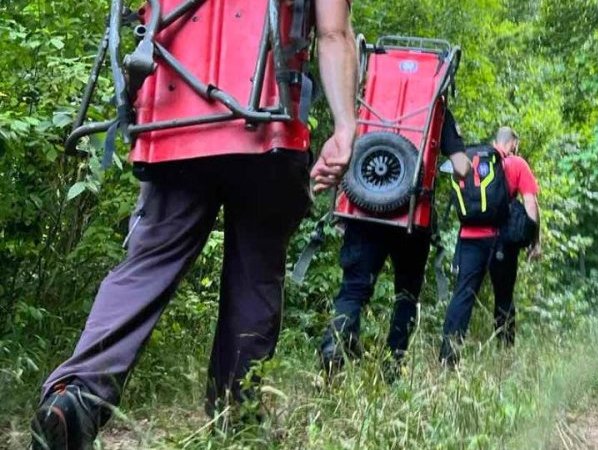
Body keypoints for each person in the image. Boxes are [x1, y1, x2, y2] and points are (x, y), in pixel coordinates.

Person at [31, 2, 357, 449]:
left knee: (146, 265)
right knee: (255, 278)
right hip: (267, 124)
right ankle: (235, 421)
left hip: (172, 117)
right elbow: (333, 33)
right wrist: (345, 127)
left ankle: (77, 396)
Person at [320, 109, 471, 379]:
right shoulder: (437, 110)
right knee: (406, 297)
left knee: (353, 290)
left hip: (363, 212)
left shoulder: (366, 98)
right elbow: (461, 166)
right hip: (412, 217)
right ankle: (392, 368)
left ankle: (335, 348)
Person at [440, 126, 541, 366]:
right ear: (513, 143)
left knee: (462, 295)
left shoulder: (468, 159)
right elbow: (530, 203)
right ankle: (505, 357)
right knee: (504, 297)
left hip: (468, 239)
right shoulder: (516, 164)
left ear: (495, 140)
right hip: (500, 241)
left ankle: (448, 359)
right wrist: (534, 241)